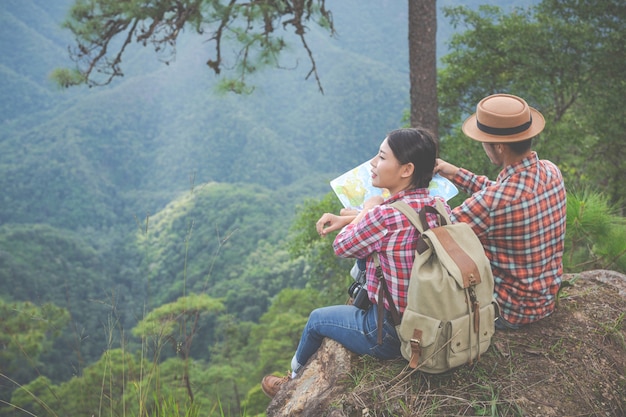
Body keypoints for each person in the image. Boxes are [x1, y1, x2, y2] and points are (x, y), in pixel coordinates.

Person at [261, 127, 451, 398]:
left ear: (406, 169)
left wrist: (369, 209)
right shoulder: (439, 205)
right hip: (434, 315)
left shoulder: (381, 217)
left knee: (316, 320)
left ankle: (291, 380)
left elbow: (342, 245)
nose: (374, 163)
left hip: (391, 333)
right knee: (369, 256)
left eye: (382, 157)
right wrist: (361, 215)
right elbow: (401, 221)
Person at [435, 93, 566, 330]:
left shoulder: (491, 203)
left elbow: (437, 233)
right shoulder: (551, 172)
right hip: (545, 300)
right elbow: (504, 195)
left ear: (498, 146)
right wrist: (456, 174)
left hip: (509, 311)